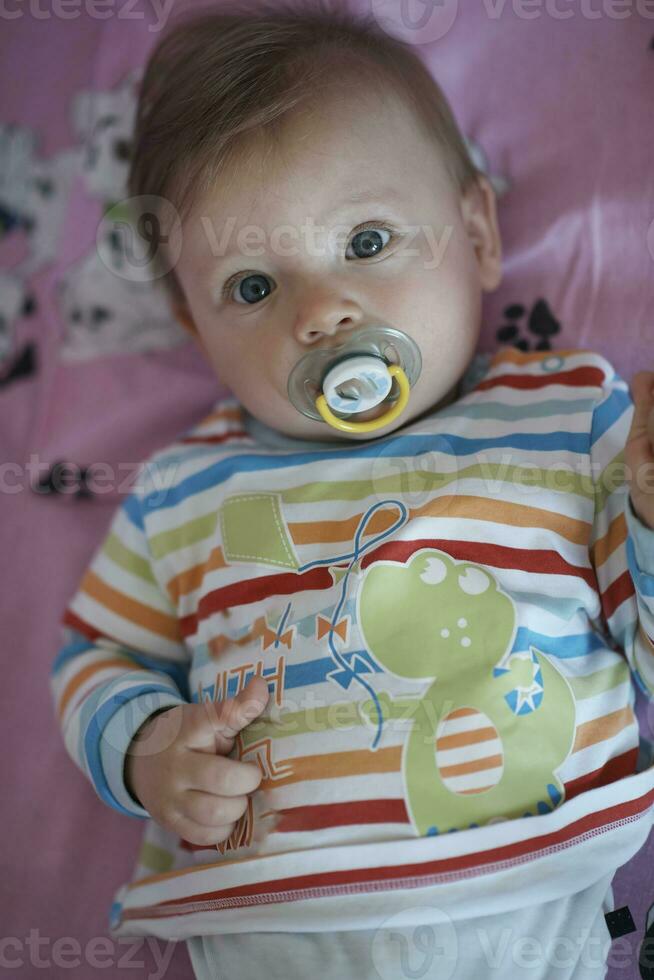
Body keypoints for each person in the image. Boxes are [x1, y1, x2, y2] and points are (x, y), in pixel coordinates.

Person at [51, 2, 654, 977]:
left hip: (524, 896)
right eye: (253, 287)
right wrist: (145, 751)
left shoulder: (564, 417)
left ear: (478, 234)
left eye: (366, 241)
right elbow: (95, 653)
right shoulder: (182, 488)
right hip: (269, 926)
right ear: (194, 326)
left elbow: (644, 645)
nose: (322, 310)